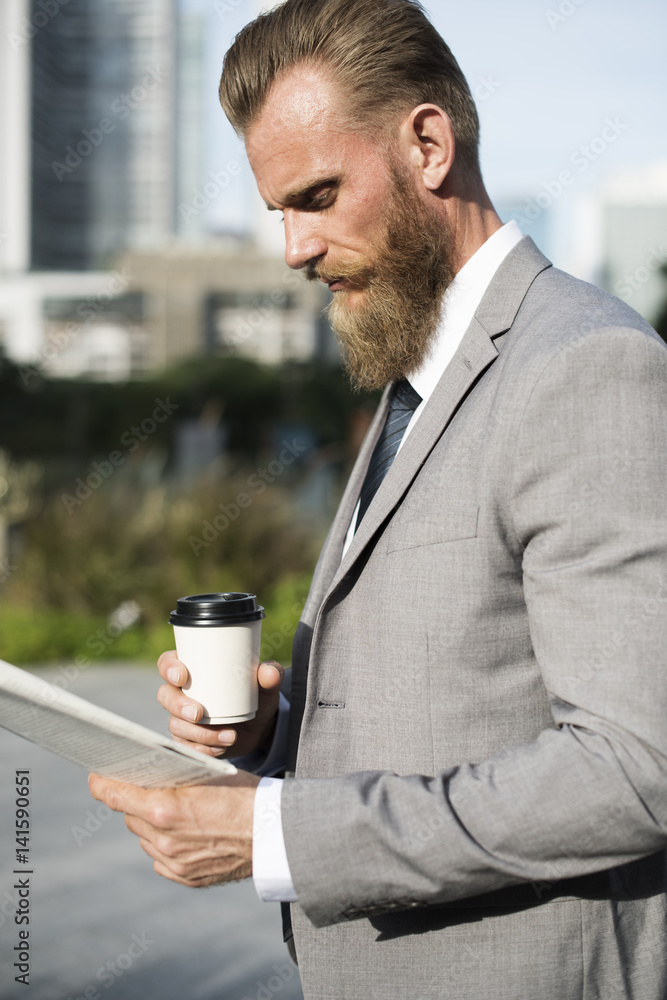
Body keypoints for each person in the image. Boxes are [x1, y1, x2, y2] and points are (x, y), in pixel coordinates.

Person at [90, 1, 667, 997]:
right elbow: (467, 692)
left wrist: (278, 832)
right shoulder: (414, 376)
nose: (293, 249)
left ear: (428, 143)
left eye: (316, 194)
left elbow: (632, 767)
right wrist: (268, 738)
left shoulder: (586, 367)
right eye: (279, 209)